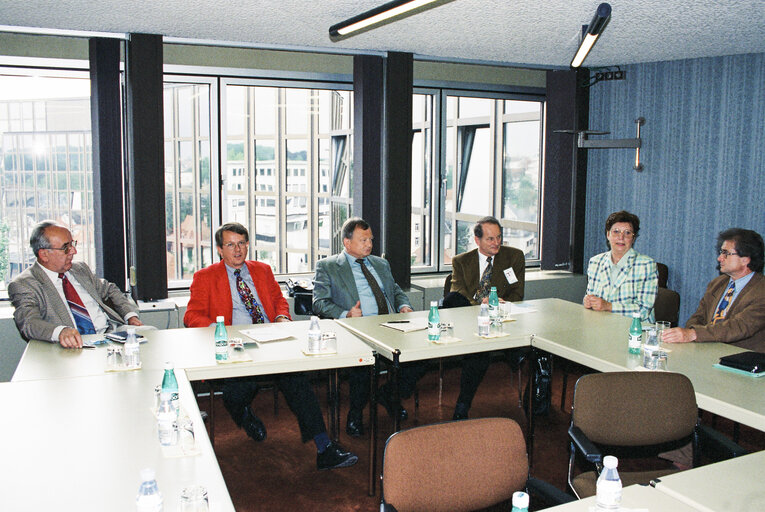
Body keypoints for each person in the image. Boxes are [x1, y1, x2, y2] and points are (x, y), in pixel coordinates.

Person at [184, 222, 357, 471]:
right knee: (236, 393)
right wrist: (219, 330)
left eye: (242, 243)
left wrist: (281, 318)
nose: (237, 250)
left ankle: (324, 448)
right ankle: (244, 415)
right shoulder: (205, 277)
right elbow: (192, 316)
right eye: (230, 245)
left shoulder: (262, 270)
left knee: (297, 381)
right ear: (220, 250)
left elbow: (278, 301)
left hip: (270, 341)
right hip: (235, 346)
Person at [312, 217, 425, 437]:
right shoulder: (328, 267)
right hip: (357, 329)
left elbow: (395, 290)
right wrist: (346, 314)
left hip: (391, 324)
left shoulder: (381, 264)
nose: (369, 244)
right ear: (347, 242)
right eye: (363, 240)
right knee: (363, 367)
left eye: (371, 239)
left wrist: (403, 305)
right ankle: (355, 414)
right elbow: (319, 302)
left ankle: (389, 395)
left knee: (420, 358)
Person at [8, 220, 142, 348]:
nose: (74, 251)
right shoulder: (24, 284)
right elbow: (29, 323)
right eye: (66, 248)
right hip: (70, 347)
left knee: (150, 333)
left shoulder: (80, 269)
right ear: (44, 255)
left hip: (110, 337)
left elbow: (109, 289)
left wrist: (130, 316)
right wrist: (60, 332)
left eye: (72, 244)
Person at [445, 216, 525, 420]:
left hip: (501, 319)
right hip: (470, 319)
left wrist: (498, 304)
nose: (496, 243)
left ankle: (535, 400)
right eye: (490, 239)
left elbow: (517, 293)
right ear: (477, 240)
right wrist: (480, 305)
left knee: (481, 354)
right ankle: (463, 404)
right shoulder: (461, 261)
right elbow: (457, 293)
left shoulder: (513, 257)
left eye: (499, 237)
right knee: (478, 351)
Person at [663, 228, 765, 351]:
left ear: (745, 259)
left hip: (740, 358)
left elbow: (739, 327)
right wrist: (691, 332)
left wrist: (693, 334)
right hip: (707, 350)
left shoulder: (761, 290)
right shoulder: (718, 283)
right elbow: (698, 317)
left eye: (726, 253)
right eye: (721, 252)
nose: (719, 258)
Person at [583, 210, 658, 322]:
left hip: (634, 330)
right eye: (616, 232)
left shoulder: (646, 265)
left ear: (633, 238)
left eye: (627, 233)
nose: (621, 237)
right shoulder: (595, 262)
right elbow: (592, 297)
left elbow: (643, 311)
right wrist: (588, 301)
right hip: (601, 325)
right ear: (608, 235)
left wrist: (608, 306)